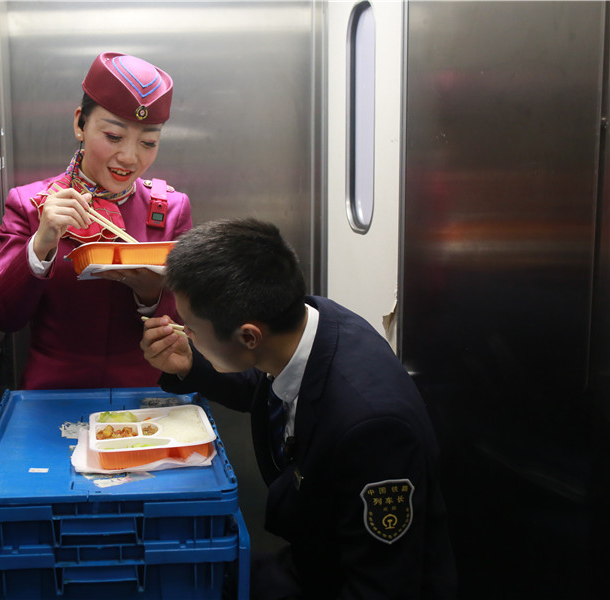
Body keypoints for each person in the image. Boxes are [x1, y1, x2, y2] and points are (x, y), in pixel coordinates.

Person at [140, 218, 457, 600]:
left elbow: (381, 584)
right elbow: (265, 385)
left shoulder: (372, 428)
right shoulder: (306, 322)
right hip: (316, 559)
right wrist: (190, 364)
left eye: (190, 327)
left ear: (248, 335)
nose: (183, 332)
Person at [0, 52, 192, 389]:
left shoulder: (171, 208)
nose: (129, 157)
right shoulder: (30, 203)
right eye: (113, 136)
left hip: (149, 400)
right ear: (80, 123)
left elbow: (191, 326)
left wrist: (150, 297)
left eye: (148, 142)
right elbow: (4, 318)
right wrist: (42, 242)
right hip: (51, 395)